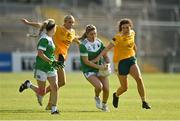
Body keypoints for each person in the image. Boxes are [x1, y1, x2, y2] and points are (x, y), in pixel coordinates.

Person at [21, 15, 80, 109]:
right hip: (56, 58)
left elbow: (74, 38)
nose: (71, 24)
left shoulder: (72, 32)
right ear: (64, 22)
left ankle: (41, 94)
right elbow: (42, 25)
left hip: (62, 59)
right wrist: (28, 23)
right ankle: (50, 104)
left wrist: (81, 43)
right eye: (69, 22)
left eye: (73, 22)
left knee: (61, 82)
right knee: (58, 83)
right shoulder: (58, 29)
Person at [92, 18, 151, 109]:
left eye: (127, 27)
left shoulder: (132, 33)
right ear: (121, 28)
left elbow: (132, 43)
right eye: (123, 28)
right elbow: (107, 48)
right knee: (124, 88)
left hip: (131, 59)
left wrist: (135, 50)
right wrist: (97, 58)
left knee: (139, 78)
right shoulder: (117, 37)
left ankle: (144, 102)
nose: (125, 29)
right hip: (120, 63)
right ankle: (116, 95)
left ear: (130, 27)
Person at [19, 19, 61, 114]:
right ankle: (28, 84)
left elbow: (49, 53)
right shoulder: (44, 39)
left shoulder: (50, 38)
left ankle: (54, 110)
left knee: (55, 86)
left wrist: (55, 61)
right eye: (55, 28)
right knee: (42, 92)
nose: (56, 29)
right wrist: (52, 61)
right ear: (52, 28)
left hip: (51, 67)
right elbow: (40, 54)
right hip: (41, 67)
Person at [79, 25, 111, 112]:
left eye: (95, 34)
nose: (93, 36)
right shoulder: (83, 45)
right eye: (91, 34)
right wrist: (99, 66)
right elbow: (86, 62)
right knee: (99, 86)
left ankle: (104, 104)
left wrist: (108, 63)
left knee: (107, 89)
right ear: (87, 34)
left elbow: (105, 55)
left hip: (99, 69)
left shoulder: (99, 42)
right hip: (88, 70)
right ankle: (97, 97)